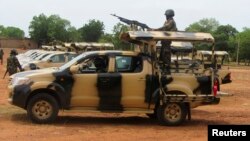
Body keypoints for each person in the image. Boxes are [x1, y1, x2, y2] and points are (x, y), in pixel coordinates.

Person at [152, 9, 177, 74]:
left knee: (166, 55)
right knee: (162, 56)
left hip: (167, 42)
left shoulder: (171, 22)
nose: (166, 16)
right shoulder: (167, 21)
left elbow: (164, 28)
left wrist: (155, 29)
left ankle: (167, 70)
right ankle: (164, 69)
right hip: (164, 42)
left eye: (166, 15)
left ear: (169, 15)